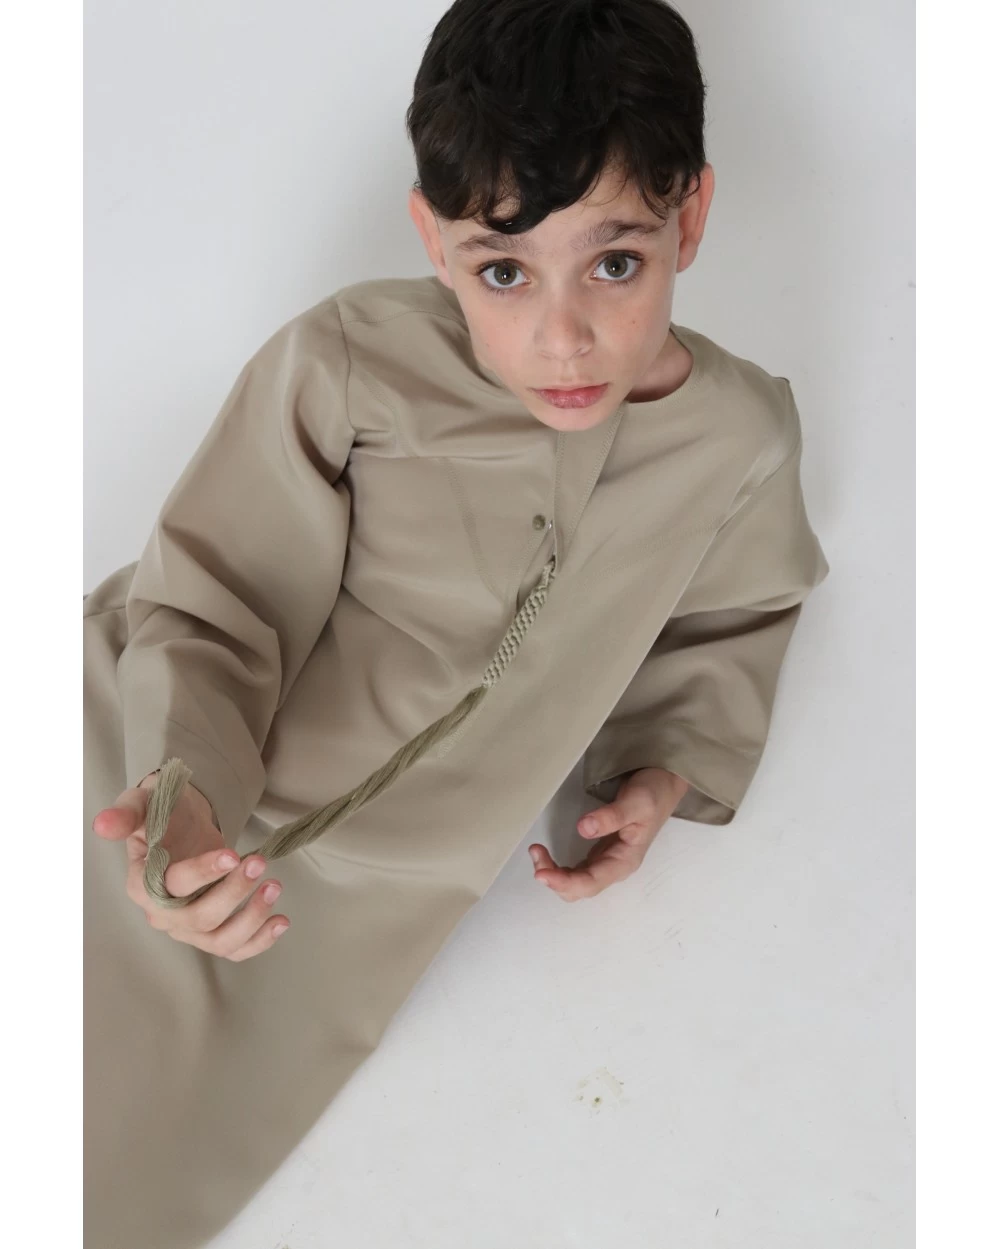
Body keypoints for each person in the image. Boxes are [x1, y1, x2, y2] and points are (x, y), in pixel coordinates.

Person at [83, 1, 830, 1245]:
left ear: (690, 217)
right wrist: (185, 795)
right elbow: (218, 601)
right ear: (433, 240)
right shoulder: (351, 366)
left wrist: (660, 768)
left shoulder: (740, 439)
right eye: (502, 271)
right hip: (137, 761)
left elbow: (732, 612)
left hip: (345, 919)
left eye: (614, 263)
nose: (561, 337)